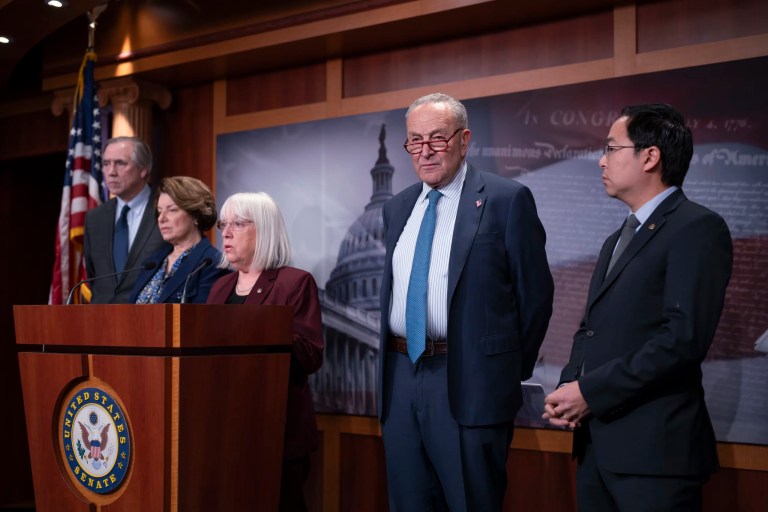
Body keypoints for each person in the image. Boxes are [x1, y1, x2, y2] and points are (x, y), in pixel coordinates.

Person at [543, 104, 733, 511]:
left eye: (612, 148)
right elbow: (589, 326)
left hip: (654, 456)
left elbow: (681, 340)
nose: (601, 160)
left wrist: (590, 391)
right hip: (597, 446)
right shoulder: (617, 237)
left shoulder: (697, 227)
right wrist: (568, 387)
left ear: (650, 156)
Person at [378, 92, 554, 511]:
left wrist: (504, 369)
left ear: (464, 139)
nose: (425, 151)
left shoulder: (505, 199)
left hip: (471, 384)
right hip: (402, 378)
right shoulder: (398, 207)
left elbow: (535, 297)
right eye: (415, 141)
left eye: (437, 138)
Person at [206, 192, 323, 512]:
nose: (225, 233)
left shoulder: (294, 283)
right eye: (223, 224)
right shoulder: (219, 288)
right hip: (224, 430)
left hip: (276, 433)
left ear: (266, 230)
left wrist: (267, 326)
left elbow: (312, 355)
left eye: (238, 224)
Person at [83, 136, 169, 303]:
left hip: (150, 319)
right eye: (106, 164)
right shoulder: (94, 218)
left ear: (143, 169)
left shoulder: (167, 209)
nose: (111, 172)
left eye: (120, 163)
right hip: (101, 320)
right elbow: (94, 277)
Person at [128, 176, 229, 304]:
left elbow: (200, 319)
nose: (161, 218)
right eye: (159, 212)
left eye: (172, 210)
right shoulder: (152, 262)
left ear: (196, 215)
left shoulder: (213, 264)